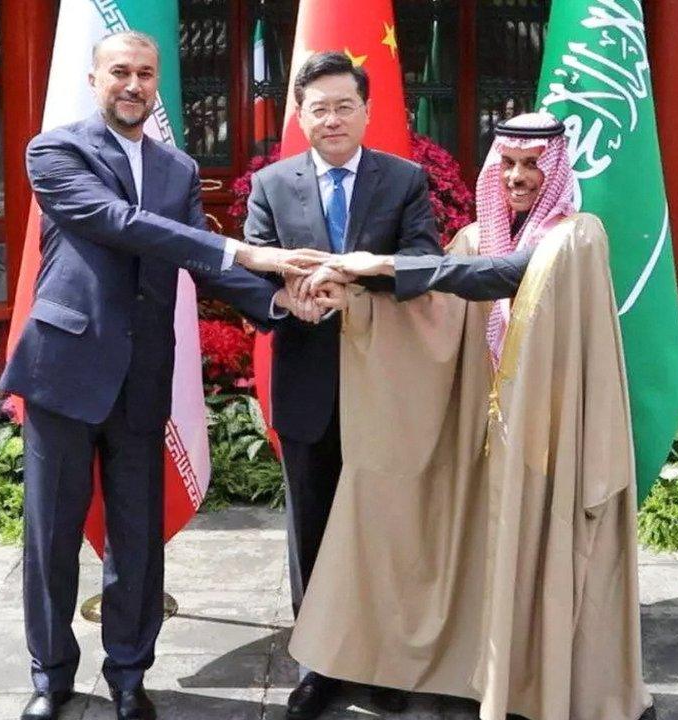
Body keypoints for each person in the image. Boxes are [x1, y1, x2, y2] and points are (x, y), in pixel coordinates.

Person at [0, 31, 324, 720]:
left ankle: (127, 673)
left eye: (146, 74)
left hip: (143, 374)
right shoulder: (55, 151)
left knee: (137, 539)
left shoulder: (176, 168)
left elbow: (201, 266)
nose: (134, 85)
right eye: (120, 71)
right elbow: (119, 223)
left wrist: (275, 297)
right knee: (51, 537)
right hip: (66, 367)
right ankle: (51, 675)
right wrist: (242, 245)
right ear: (94, 80)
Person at [297, 112, 654, 720]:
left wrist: (377, 265)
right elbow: (433, 313)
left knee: (544, 549)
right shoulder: (470, 237)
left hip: (549, 430)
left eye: (532, 165)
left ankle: (544, 684)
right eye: (507, 164)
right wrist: (355, 296)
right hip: (479, 430)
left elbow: (509, 276)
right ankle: (482, 674)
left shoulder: (578, 236)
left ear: (556, 169)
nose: (517, 177)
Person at [242, 50, 442, 720]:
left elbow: (425, 264)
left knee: (381, 525)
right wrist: (284, 302)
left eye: (344, 105)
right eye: (318, 107)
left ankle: (381, 660)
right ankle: (318, 663)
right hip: (307, 381)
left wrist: (357, 282)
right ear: (300, 116)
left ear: (366, 110)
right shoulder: (272, 186)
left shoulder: (403, 180)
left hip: (384, 383)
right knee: (314, 529)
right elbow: (250, 273)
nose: (332, 118)